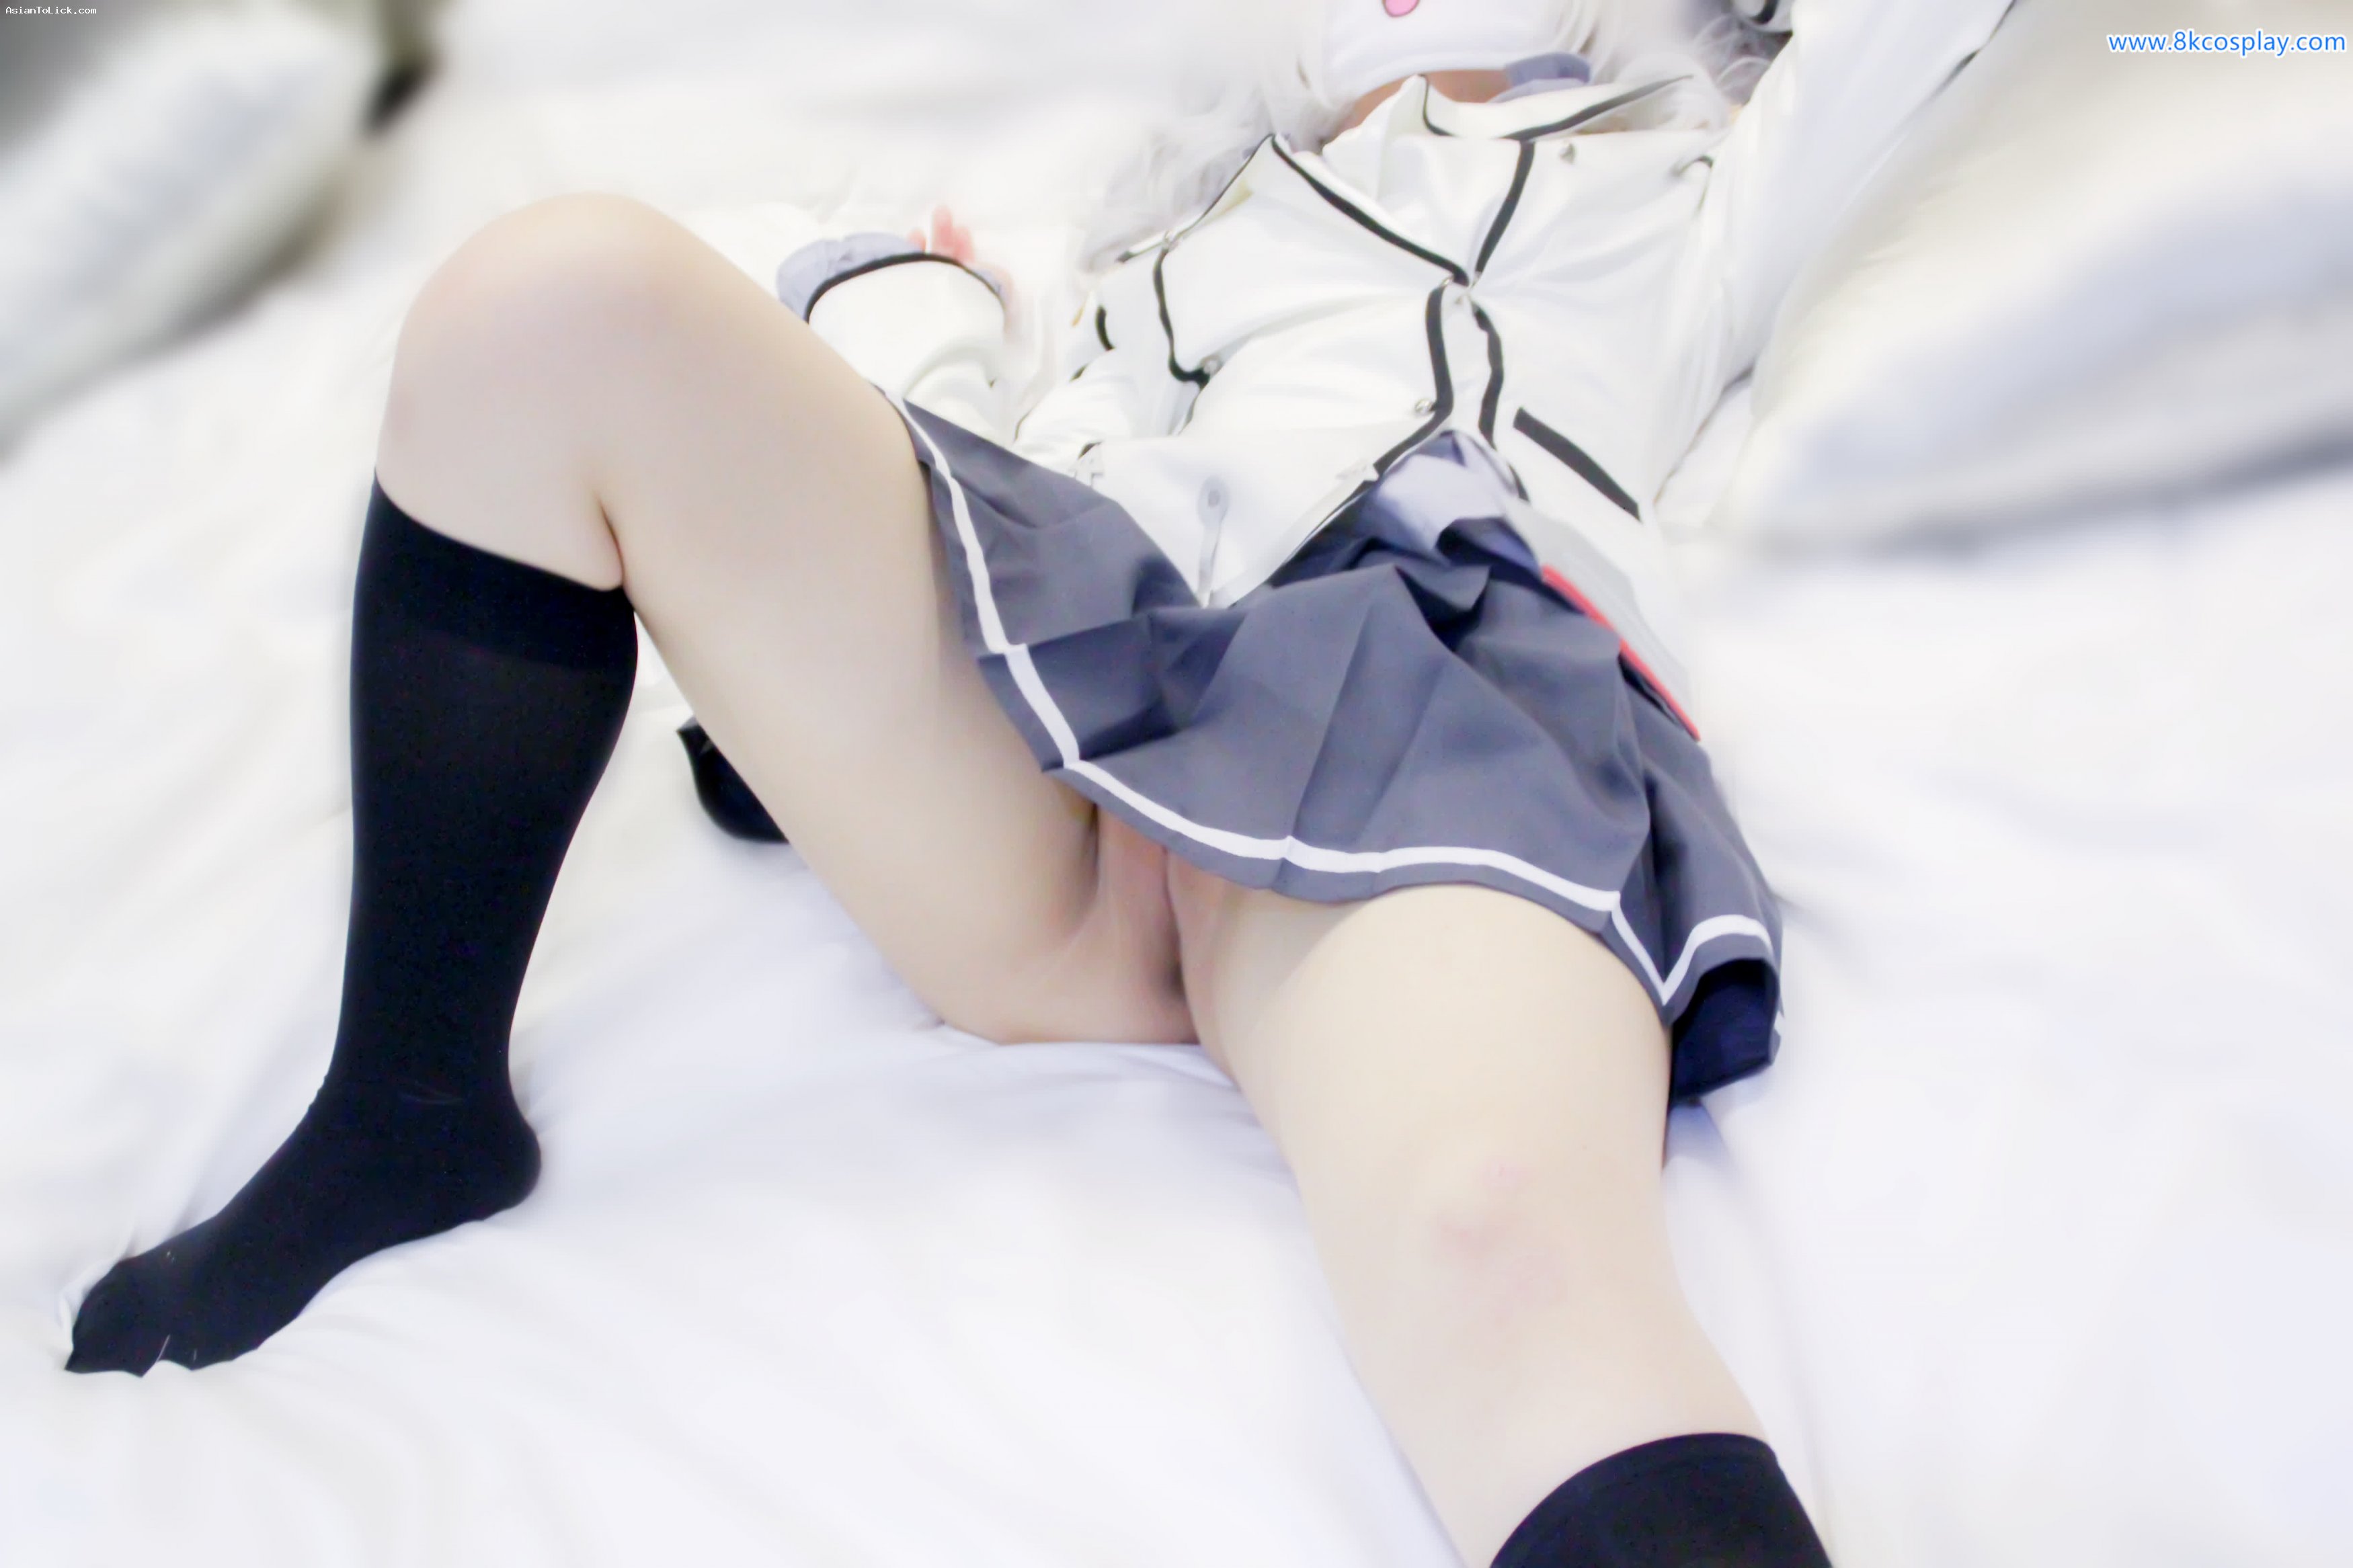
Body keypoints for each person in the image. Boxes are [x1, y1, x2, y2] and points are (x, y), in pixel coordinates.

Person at [65, 1, 2008, 1562]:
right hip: (1056, 681)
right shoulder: (1168, 222)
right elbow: (946, 451)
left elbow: (2119, 32)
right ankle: (410, 1106)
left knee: (1490, 1234)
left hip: (1409, 701)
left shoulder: (1695, 176)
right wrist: (904, 311)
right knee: (543, 301)